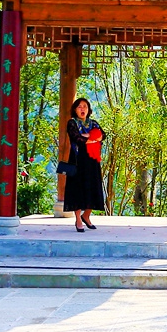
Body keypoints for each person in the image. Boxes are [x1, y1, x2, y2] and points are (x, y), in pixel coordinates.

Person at [64, 97, 105, 232]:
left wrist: (89, 137)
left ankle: (86, 215)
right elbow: (77, 139)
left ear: (89, 109)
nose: (83, 109)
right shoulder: (72, 123)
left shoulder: (93, 123)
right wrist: (91, 138)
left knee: (93, 187)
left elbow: (102, 135)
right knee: (77, 189)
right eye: (80, 106)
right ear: (75, 109)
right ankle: (78, 219)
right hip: (77, 160)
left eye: (85, 106)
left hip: (92, 160)